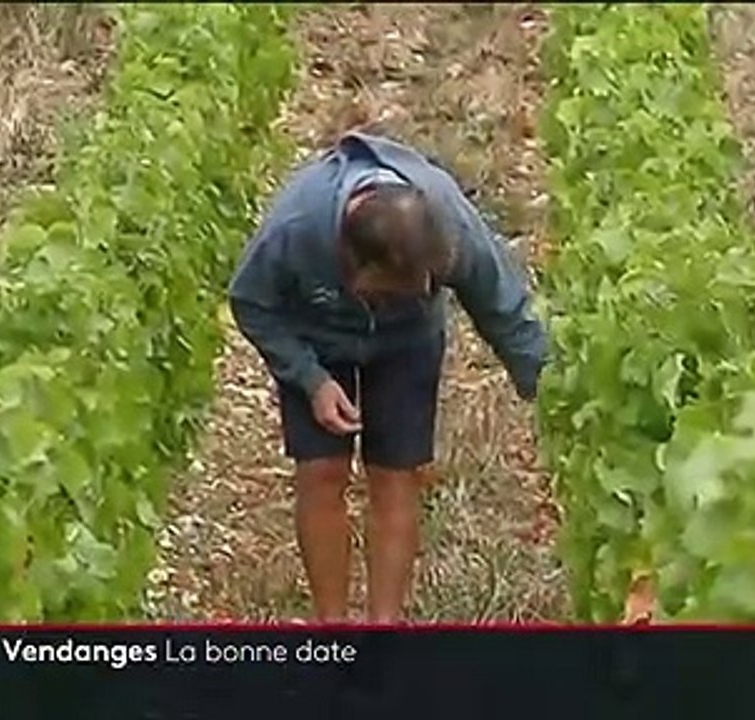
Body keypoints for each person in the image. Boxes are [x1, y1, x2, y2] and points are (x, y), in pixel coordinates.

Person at [227, 131, 548, 624]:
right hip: (316, 337)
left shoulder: (450, 222)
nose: (407, 293)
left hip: (408, 343)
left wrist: (551, 395)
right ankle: (331, 628)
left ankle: (385, 631)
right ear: (352, 266)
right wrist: (310, 379)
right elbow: (250, 301)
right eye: (389, 292)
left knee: (397, 476)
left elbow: (505, 310)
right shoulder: (296, 226)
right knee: (321, 472)